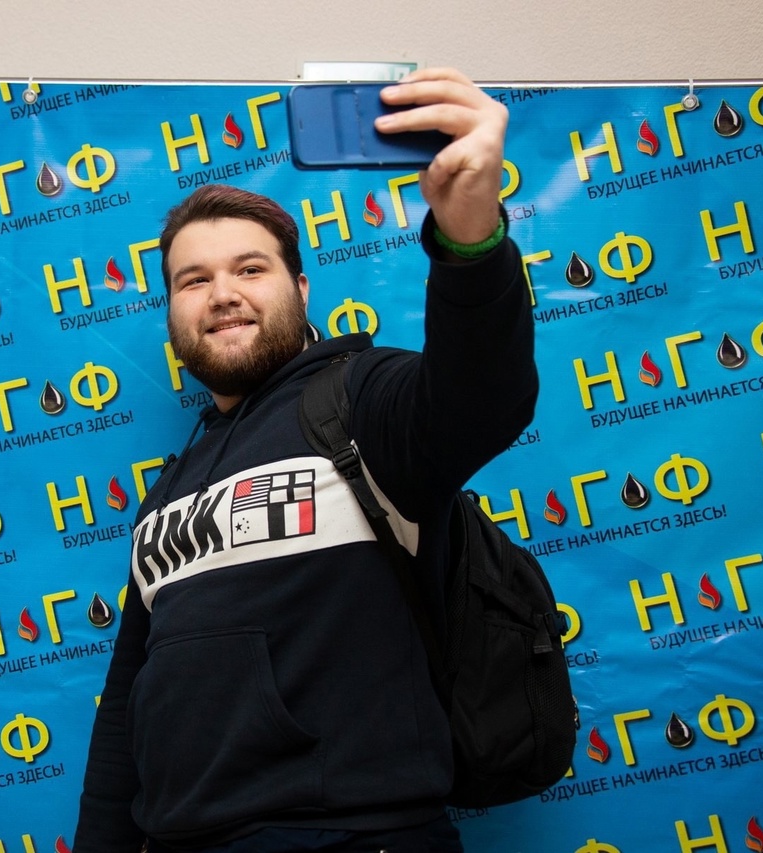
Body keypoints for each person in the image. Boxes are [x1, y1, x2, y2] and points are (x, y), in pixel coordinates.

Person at [74, 68, 537, 853]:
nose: (222, 293)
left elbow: (483, 396)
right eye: (193, 280)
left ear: (299, 286)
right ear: (172, 312)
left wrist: (469, 237)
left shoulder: (361, 400)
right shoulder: (168, 492)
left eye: (250, 269)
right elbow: (126, 704)